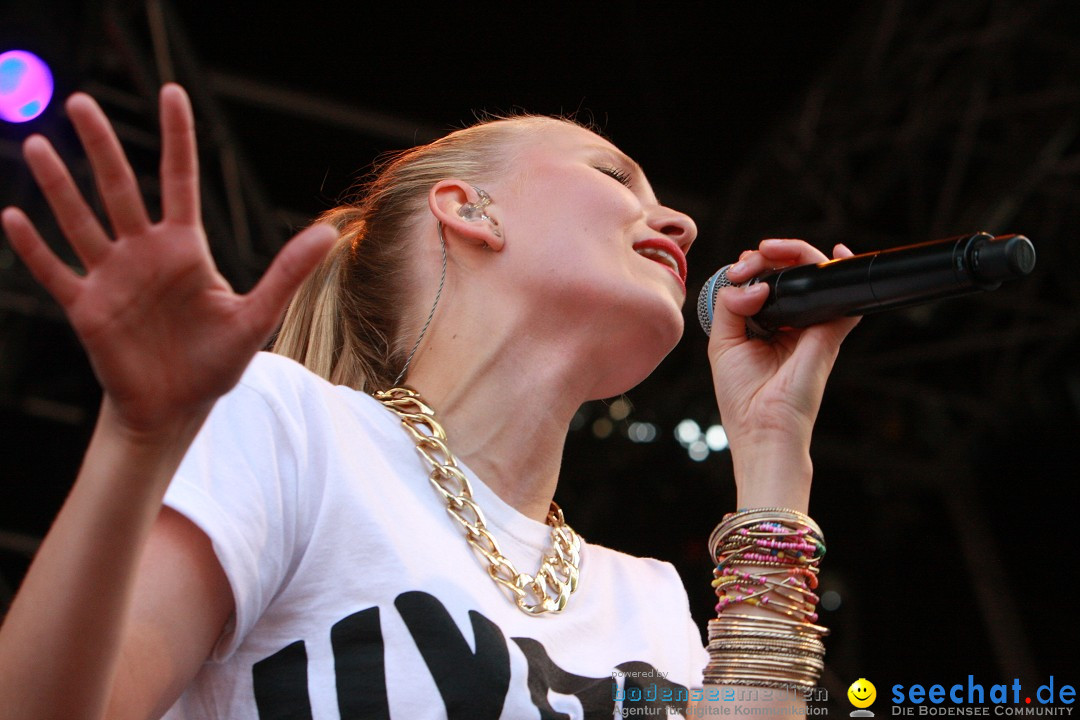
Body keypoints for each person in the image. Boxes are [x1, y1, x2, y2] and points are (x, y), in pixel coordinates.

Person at [0, 84, 858, 719]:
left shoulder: (645, 599)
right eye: (616, 177)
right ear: (470, 209)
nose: (680, 224)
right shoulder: (298, 431)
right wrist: (137, 436)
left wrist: (772, 447)